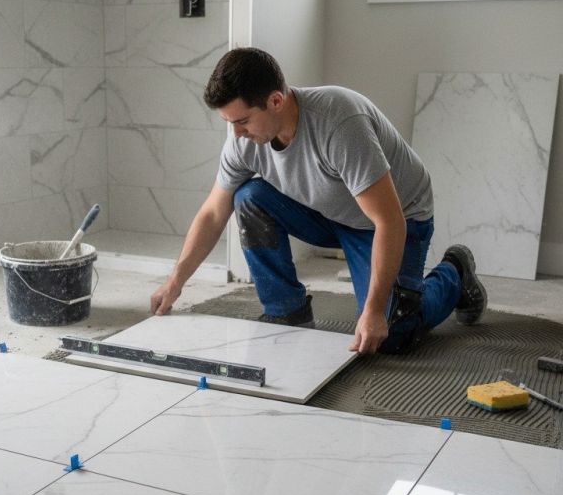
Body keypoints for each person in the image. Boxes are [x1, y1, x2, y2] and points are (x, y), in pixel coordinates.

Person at [149, 47, 487, 355]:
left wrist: (372, 313)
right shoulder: (244, 141)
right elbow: (213, 211)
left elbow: (390, 221)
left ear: (276, 101)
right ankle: (286, 311)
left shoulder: (339, 124)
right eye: (229, 123)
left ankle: (455, 272)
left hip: (397, 217)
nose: (236, 134)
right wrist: (176, 281)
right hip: (329, 211)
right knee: (249, 196)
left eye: (242, 121)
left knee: (392, 332)